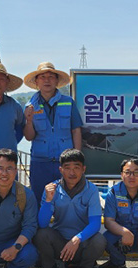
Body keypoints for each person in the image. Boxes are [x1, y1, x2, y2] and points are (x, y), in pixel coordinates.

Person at [31, 149, 106, 268]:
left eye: (76, 168)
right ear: (61, 170)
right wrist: (48, 200)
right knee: (40, 234)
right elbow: (42, 224)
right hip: (59, 245)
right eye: (67, 168)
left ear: (83, 169)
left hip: (82, 244)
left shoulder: (92, 190)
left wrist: (77, 239)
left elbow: (95, 223)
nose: (72, 173)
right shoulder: (52, 188)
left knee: (100, 240)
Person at [23, 62, 84, 202]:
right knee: (40, 199)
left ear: (57, 81)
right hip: (40, 162)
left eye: (51, 77)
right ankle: (41, 224)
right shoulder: (29, 106)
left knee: (67, 200)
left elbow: (76, 130)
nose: (47, 80)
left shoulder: (68, 102)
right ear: (36, 82)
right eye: (42, 77)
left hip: (65, 162)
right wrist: (29, 121)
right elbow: (29, 136)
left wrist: (77, 158)